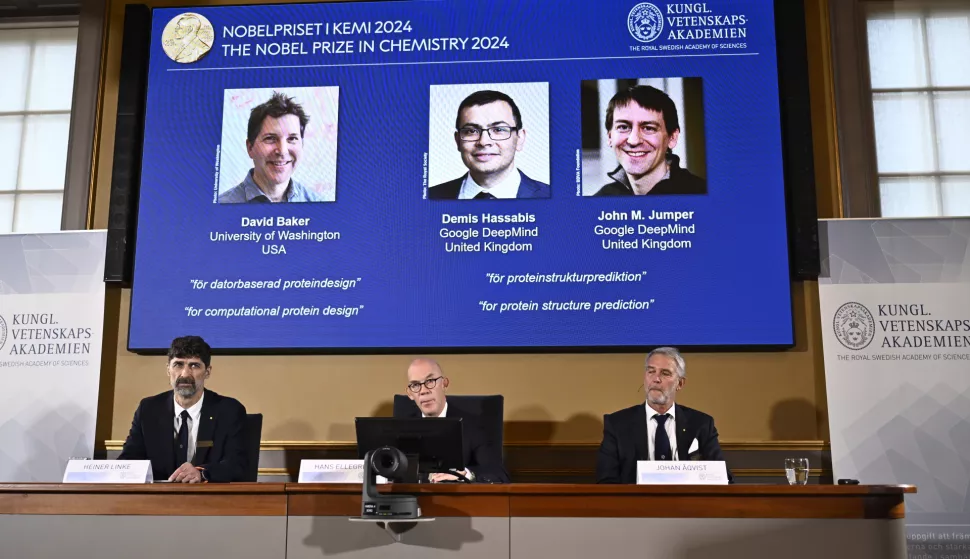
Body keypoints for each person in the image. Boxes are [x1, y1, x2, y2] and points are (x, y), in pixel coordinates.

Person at [118, 336, 248, 482]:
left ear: (207, 372)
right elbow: (129, 461)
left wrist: (202, 473)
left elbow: (238, 465)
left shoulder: (228, 410)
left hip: (210, 499)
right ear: (168, 370)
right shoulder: (149, 409)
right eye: (178, 365)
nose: (185, 374)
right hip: (157, 500)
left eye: (194, 366)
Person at [596, 347, 729, 483]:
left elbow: (723, 479)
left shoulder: (701, 424)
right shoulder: (618, 424)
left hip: (687, 502)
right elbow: (606, 482)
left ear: (680, 383)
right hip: (636, 502)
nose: (656, 379)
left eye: (665, 373)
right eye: (651, 371)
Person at [399, 358, 510, 482]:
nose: (424, 391)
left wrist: (465, 475)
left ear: (444, 384)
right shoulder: (401, 428)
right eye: (415, 385)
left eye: (430, 381)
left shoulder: (473, 426)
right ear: (410, 394)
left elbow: (498, 475)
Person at [430, 90, 550, 200]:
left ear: (519, 139)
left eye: (498, 129)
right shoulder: (430, 197)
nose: (483, 142)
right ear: (458, 141)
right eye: (471, 131)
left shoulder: (554, 197)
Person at [594, 85, 706, 196]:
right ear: (609, 137)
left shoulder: (701, 194)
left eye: (648, 128)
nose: (633, 140)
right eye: (623, 127)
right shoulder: (601, 199)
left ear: (672, 137)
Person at [219, 91, 326, 203]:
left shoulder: (320, 205)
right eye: (270, 138)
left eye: (292, 139)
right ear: (250, 148)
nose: (282, 151)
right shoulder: (221, 206)